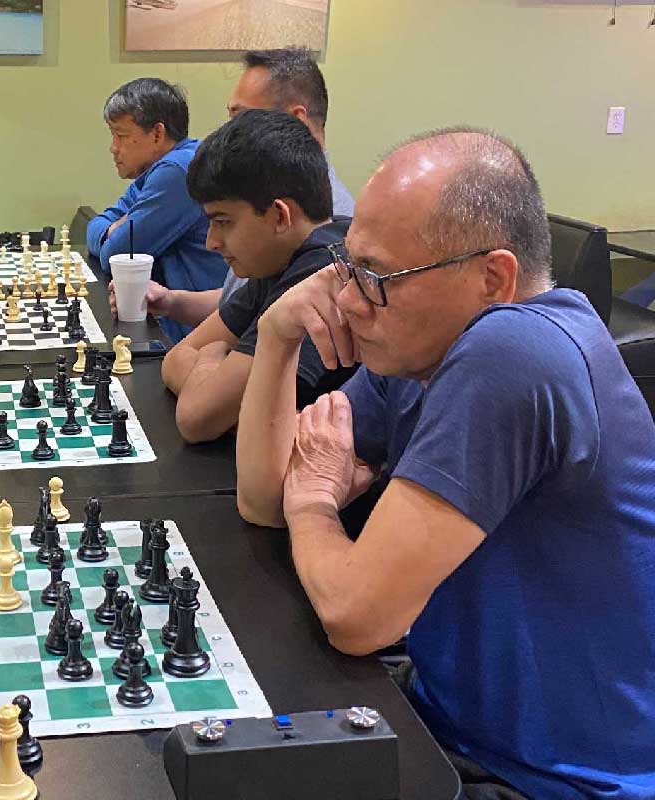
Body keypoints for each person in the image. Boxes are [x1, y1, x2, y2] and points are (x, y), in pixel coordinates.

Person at [237, 127, 655, 799]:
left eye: (375, 277)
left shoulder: (517, 351)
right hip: (448, 724)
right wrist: (278, 338)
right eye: (348, 267)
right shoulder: (416, 351)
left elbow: (355, 614)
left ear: (493, 277)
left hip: (551, 782)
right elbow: (260, 498)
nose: (346, 300)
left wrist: (314, 502)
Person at [161, 109, 354, 444]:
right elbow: (175, 358)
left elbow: (197, 418)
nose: (211, 242)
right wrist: (230, 403)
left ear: (279, 216)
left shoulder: (323, 273)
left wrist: (211, 358)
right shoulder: (280, 260)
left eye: (223, 221)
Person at [135, 48, 357, 331]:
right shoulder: (264, 196)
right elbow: (243, 304)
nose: (230, 131)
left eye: (242, 118)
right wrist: (171, 302)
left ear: (296, 122)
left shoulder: (320, 227)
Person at [87, 78, 228, 343]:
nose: (113, 147)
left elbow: (116, 255)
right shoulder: (158, 169)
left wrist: (115, 231)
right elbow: (97, 224)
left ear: (157, 134)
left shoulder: (178, 171)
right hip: (180, 320)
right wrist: (113, 228)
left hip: (200, 331)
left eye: (122, 135)